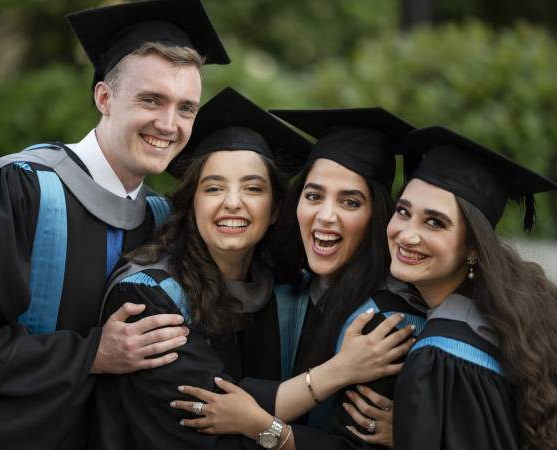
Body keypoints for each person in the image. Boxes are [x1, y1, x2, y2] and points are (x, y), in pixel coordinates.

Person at [0, 1, 229, 449]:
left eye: (186, 109)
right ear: (104, 97)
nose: (168, 124)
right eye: (151, 100)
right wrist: (91, 355)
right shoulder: (18, 191)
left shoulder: (159, 217)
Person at [94, 89, 413, 450]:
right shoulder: (148, 297)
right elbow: (205, 418)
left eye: (253, 188)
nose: (233, 203)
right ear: (192, 201)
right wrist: (335, 374)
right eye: (214, 188)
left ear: (276, 209)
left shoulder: (286, 289)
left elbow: (242, 407)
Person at [174, 108, 425, 450]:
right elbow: (224, 396)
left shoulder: (384, 324)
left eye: (350, 202)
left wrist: (264, 428)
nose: (325, 216)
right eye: (313, 196)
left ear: (377, 216)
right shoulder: (284, 289)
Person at [388, 126, 557, 450]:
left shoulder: (441, 356)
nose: (406, 234)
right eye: (403, 211)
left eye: (434, 222)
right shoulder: (518, 314)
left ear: (473, 245)